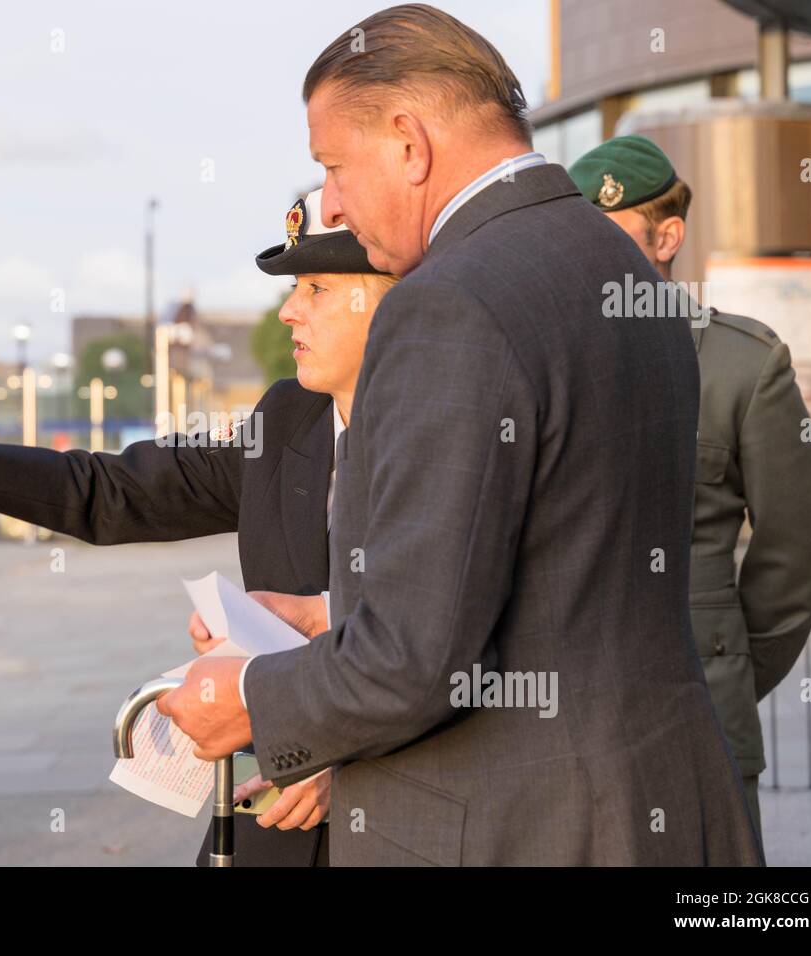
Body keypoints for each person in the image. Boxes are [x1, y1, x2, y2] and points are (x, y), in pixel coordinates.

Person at [156, 3, 764, 866]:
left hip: (517, 824)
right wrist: (334, 611)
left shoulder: (445, 303)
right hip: (660, 799)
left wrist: (254, 694)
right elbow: (563, 561)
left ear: (409, 142)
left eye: (332, 164)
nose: (329, 199)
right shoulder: (620, 265)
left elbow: (412, 663)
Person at [0, 188, 397, 867]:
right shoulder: (288, 417)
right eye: (293, 287)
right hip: (272, 819)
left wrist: (348, 748)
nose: (290, 310)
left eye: (317, 288)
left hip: (397, 822)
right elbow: (116, 490)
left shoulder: (459, 436)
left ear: (394, 301)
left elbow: (467, 638)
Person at [568, 135, 811, 841]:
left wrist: (727, 667)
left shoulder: (742, 364)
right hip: (561, 738)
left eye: (614, 235)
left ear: (667, 237)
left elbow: (799, 548)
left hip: (700, 729)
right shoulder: (545, 360)